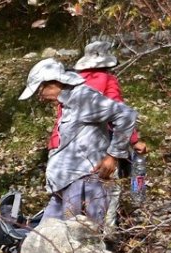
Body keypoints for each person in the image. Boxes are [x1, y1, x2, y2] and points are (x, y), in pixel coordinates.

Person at [19, 58, 137, 225]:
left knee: (81, 234)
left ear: (52, 84)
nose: (40, 98)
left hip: (84, 182)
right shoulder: (67, 102)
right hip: (65, 183)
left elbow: (126, 115)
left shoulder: (84, 98)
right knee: (46, 232)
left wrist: (112, 156)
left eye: (40, 91)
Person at [55, 40, 148, 226]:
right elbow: (119, 113)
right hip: (101, 143)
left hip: (69, 148)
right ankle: (106, 232)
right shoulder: (108, 80)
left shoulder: (72, 83)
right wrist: (134, 141)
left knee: (74, 193)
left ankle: (71, 230)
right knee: (108, 189)